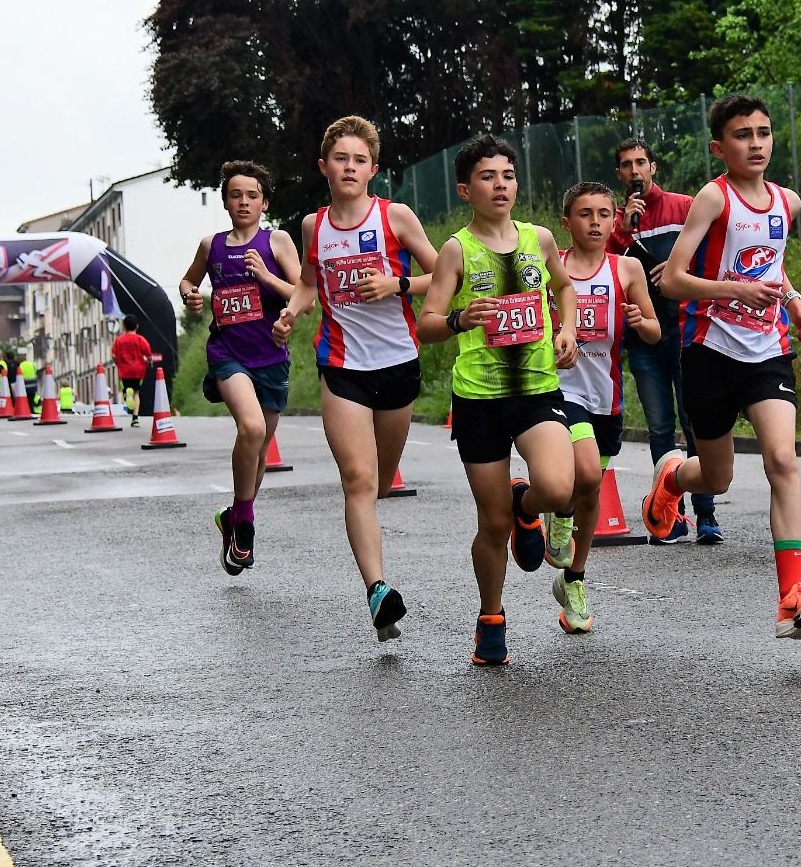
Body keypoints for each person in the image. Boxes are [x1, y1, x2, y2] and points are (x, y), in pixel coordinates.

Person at [645, 94, 801, 641]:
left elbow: (773, 266)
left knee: (782, 459)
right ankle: (672, 478)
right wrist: (736, 290)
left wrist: (792, 303)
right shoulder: (713, 198)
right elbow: (673, 280)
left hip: (767, 349)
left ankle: (791, 597)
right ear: (718, 147)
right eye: (742, 135)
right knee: (718, 477)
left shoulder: (787, 203)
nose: (755, 143)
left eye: (764, 132)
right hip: (709, 349)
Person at [273, 115, 437, 643]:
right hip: (342, 366)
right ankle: (378, 591)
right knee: (359, 480)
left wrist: (399, 282)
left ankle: (375, 566)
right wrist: (293, 312)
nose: (349, 167)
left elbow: (446, 276)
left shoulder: (396, 218)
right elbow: (306, 283)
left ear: (373, 169)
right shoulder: (312, 226)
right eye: (340, 158)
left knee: (382, 479)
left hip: (397, 364)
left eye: (359, 160)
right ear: (324, 167)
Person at [417, 133, 578, 666]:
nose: (500, 185)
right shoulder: (456, 250)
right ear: (467, 189)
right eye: (488, 177)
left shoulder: (541, 238)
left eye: (507, 175)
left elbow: (564, 286)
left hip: (536, 389)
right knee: (491, 524)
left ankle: (526, 506)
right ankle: (491, 617)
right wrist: (463, 318)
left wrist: (567, 331)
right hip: (480, 397)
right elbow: (429, 323)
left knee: (559, 487)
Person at [546, 182, 662, 633]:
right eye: (584, 214)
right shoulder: (551, 265)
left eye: (603, 214)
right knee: (588, 474)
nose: (595, 222)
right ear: (567, 222)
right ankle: (558, 514)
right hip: (560, 390)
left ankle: (573, 579)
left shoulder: (627, 268)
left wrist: (639, 320)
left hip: (606, 396)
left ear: (616, 220)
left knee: (591, 491)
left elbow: (653, 331)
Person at [180, 160, 303, 577]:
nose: (244, 201)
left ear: (264, 202)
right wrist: (191, 296)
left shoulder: (278, 240)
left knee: (261, 450)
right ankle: (246, 523)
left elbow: (303, 292)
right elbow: (187, 281)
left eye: (252, 195)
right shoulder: (211, 245)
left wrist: (266, 276)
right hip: (227, 353)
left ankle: (233, 515)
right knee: (250, 429)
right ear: (226, 201)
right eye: (236, 195)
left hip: (270, 356)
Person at [607, 138, 722, 545]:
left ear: (653, 167)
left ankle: (707, 515)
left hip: (687, 330)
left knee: (694, 422)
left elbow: (710, 251)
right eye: (626, 165)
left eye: (641, 162)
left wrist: (677, 270)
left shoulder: (684, 205)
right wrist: (621, 233)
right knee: (659, 426)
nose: (635, 170)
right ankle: (667, 515)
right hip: (643, 336)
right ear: (619, 174)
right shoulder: (616, 220)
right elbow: (603, 270)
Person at [110, 316, 153, 427]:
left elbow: (114, 355)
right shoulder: (140, 339)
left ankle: (126, 395)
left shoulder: (119, 340)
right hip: (138, 371)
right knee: (136, 393)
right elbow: (148, 354)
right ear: (137, 326)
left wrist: (118, 363)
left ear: (124, 326)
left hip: (124, 371)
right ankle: (135, 418)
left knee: (127, 390)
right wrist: (149, 362)